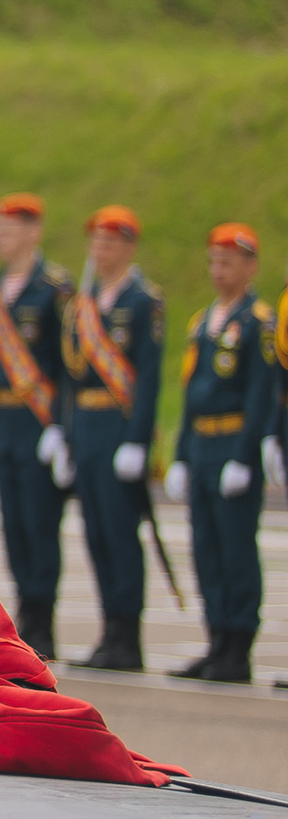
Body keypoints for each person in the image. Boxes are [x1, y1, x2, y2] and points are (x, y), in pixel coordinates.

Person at [166, 223, 276, 683]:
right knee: (206, 548)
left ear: (250, 266)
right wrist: (181, 454)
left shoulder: (257, 323)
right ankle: (215, 641)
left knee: (235, 549)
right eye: (214, 261)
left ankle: (238, 645)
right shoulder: (202, 321)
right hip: (204, 445)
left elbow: (260, 395)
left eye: (229, 262)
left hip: (233, 444)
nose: (219, 270)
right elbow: (191, 397)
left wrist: (246, 455)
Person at [60, 204, 164, 672]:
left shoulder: (143, 302)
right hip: (87, 430)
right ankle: (108, 629)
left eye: (109, 242)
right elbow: (71, 375)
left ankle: (128, 634)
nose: (100, 250)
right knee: (97, 532)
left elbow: (148, 377)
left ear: (127, 247)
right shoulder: (84, 304)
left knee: (122, 534)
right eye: (95, 242)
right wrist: (66, 436)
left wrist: (138, 439)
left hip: (119, 428)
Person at [0, 192, 75, 660]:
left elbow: (67, 364)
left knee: (39, 522)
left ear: (34, 231)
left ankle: (43, 617)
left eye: (11, 228)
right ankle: (23, 609)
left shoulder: (53, 288)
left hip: (39, 419)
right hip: (6, 420)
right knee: (13, 521)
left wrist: (61, 426)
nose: (2, 237)